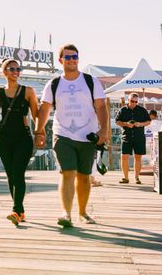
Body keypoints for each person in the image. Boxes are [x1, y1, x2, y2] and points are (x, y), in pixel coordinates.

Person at [36, 44, 109, 228]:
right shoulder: (53, 84)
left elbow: (101, 106)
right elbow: (44, 108)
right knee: (67, 172)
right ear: (61, 61)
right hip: (63, 134)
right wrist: (39, 130)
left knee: (84, 176)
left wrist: (104, 130)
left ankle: (82, 213)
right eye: (67, 57)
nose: (72, 60)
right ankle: (66, 214)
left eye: (74, 57)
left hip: (87, 134)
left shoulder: (90, 81)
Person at [0, 59, 39, 225]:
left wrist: (40, 133)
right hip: (5, 139)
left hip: (23, 138)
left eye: (18, 69)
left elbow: (36, 115)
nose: (16, 71)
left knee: (18, 174)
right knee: (10, 176)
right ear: (5, 72)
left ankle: (15, 210)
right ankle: (20, 211)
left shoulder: (28, 91)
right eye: (12, 69)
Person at [116, 93, 151, 185]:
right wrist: (126, 124)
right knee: (124, 157)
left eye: (136, 101)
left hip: (139, 137)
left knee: (138, 157)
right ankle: (125, 177)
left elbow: (148, 121)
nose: (134, 103)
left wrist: (140, 124)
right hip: (126, 136)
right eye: (132, 101)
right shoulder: (123, 110)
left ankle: (137, 178)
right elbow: (117, 121)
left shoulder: (142, 110)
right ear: (128, 100)